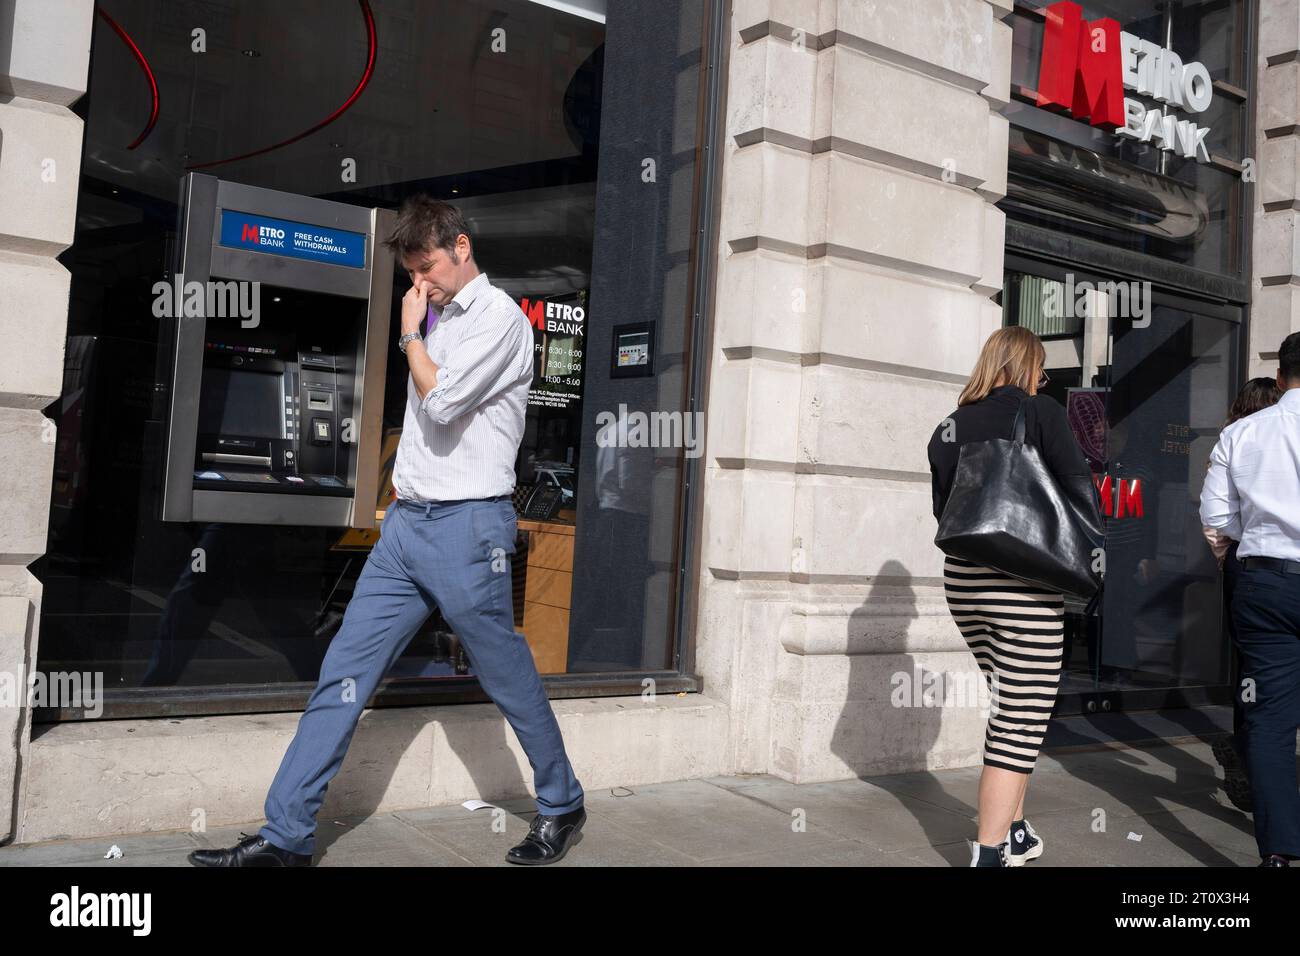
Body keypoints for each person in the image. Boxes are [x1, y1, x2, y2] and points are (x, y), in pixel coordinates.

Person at [189, 196, 586, 867]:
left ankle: (561, 803)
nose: (422, 284)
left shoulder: (499, 320)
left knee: (507, 677)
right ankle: (285, 837)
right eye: (414, 275)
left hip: (467, 529)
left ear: (461, 247)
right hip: (406, 528)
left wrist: (409, 332)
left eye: (429, 268)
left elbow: (446, 399)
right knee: (342, 673)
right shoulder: (440, 316)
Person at [927, 326, 1099, 868]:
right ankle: (990, 852)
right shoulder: (1041, 412)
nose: (1040, 380)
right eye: (1040, 370)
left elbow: (946, 511)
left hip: (965, 582)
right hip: (1021, 585)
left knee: (1011, 703)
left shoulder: (948, 426)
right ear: (1026, 367)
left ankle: (1017, 831)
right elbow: (1077, 490)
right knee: (1020, 718)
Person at [1200, 332, 1300, 867]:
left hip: (1265, 581)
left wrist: (1240, 559)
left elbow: (1216, 517)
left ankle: (1280, 855)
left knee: (1270, 723)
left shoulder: (1241, 433)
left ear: (1281, 377)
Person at [1202, 377, 1282, 813]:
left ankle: (1248, 751)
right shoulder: (1253, 440)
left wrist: (1228, 555)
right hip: (1258, 562)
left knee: (1251, 665)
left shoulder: (1235, 439)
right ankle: (1250, 753)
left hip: (1245, 564)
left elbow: (1214, 518)